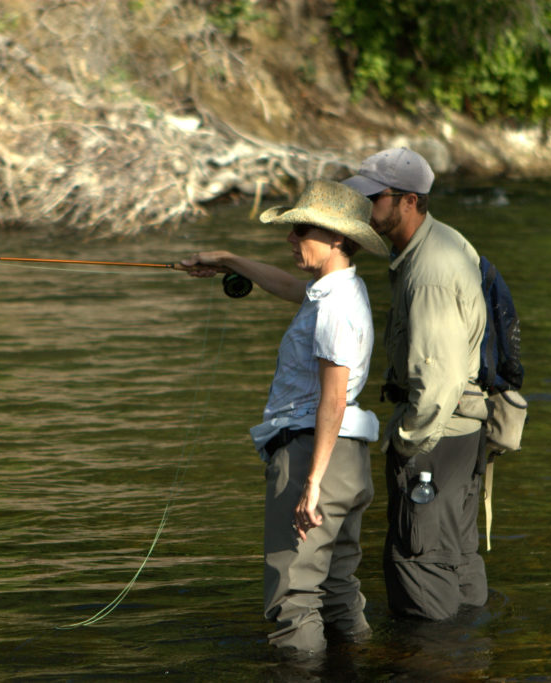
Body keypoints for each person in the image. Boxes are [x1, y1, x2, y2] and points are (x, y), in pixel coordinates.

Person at [181, 179, 388, 655]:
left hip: (313, 454)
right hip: (348, 459)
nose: (291, 239)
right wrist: (228, 260)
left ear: (338, 238)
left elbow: (332, 400)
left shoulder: (334, 308)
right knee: (336, 587)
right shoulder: (336, 289)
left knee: (293, 598)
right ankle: (364, 663)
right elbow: (291, 287)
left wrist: (311, 482)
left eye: (302, 231)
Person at [342, 147, 490, 621]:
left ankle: (433, 662)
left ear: (408, 201)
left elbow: (437, 380)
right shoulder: (442, 243)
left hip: (437, 439)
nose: (365, 207)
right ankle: (470, 657)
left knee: (418, 562)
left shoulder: (428, 274)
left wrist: (404, 446)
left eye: (374, 197)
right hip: (463, 435)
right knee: (456, 558)